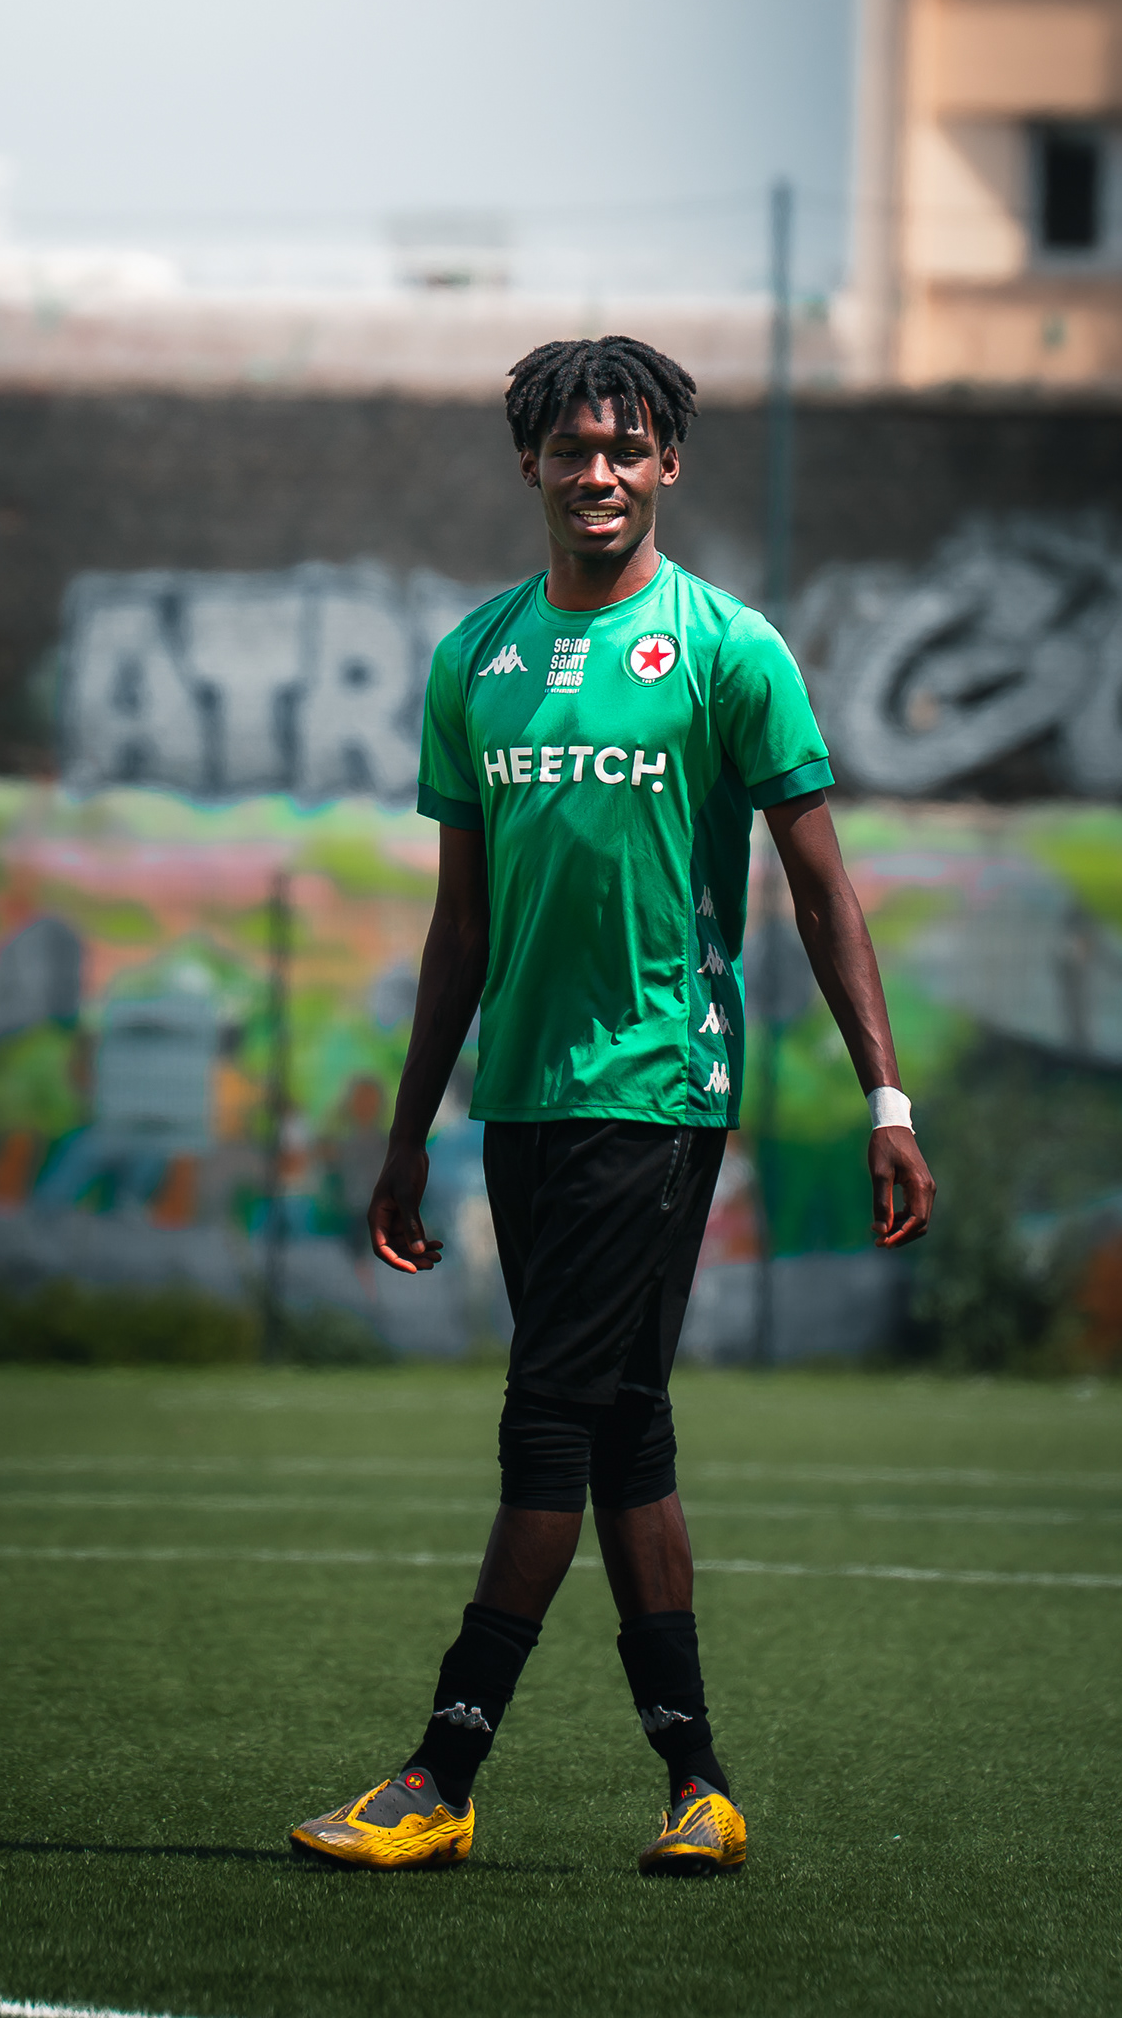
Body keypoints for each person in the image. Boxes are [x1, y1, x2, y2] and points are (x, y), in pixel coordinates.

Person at [289, 336, 935, 1877]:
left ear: (669, 466)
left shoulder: (728, 650)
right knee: (626, 1429)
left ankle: (442, 1774)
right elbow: (460, 925)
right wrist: (409, 1130)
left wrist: (886, 1097)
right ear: (530, 463)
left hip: (658, 1084)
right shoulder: (475, 660)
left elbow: (823, 890)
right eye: (574, 449)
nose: (600, 473)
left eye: (627, 449)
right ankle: (698, 1786)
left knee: (549, 1424)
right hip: (522, 1095)